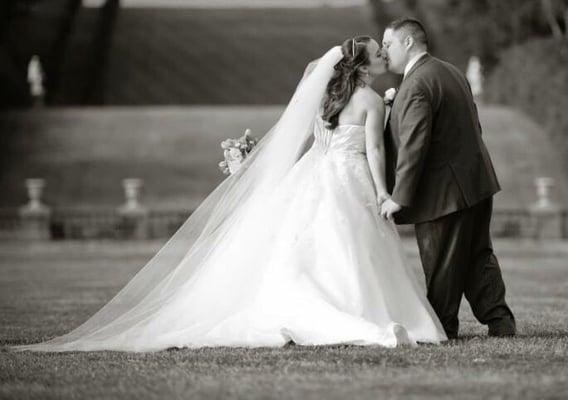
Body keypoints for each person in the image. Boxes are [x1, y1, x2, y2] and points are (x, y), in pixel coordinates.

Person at [13, 37, 446, 352]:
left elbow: (308, 142)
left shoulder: (325, 98)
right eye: (378, 54)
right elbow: (373, 150)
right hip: (349, 178)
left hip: (316, 174)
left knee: (306, 246)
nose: (384, 57)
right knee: (354, 246)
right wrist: (384, 191)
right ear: (365, 66)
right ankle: (363, 314)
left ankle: (308, 305)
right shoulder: (370, 100)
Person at [380, 18, 516, 339]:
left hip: (444, 193)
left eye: (388, 45)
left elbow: (414, 146)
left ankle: (442, 329)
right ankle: (500, 321)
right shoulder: (451, 71)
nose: (385, 52)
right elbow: (473, 128)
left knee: (442, 262)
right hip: (477, 181)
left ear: (408, 43)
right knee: (478, 255)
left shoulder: (416, 84)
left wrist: (399, 196)